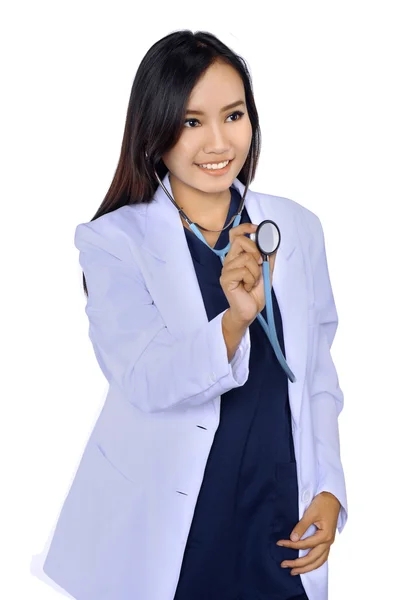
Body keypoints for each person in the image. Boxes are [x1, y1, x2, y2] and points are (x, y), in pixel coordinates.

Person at [41, 30, 347, 600]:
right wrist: (235, 320)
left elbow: (318, 378)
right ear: (155, 131)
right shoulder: (113, 242)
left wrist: (329, 489)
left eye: (233, 115)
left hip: (279, 517)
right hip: (177, 533)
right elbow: (146, 379)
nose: (217, 142)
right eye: (190, 122)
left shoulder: (298, 227)